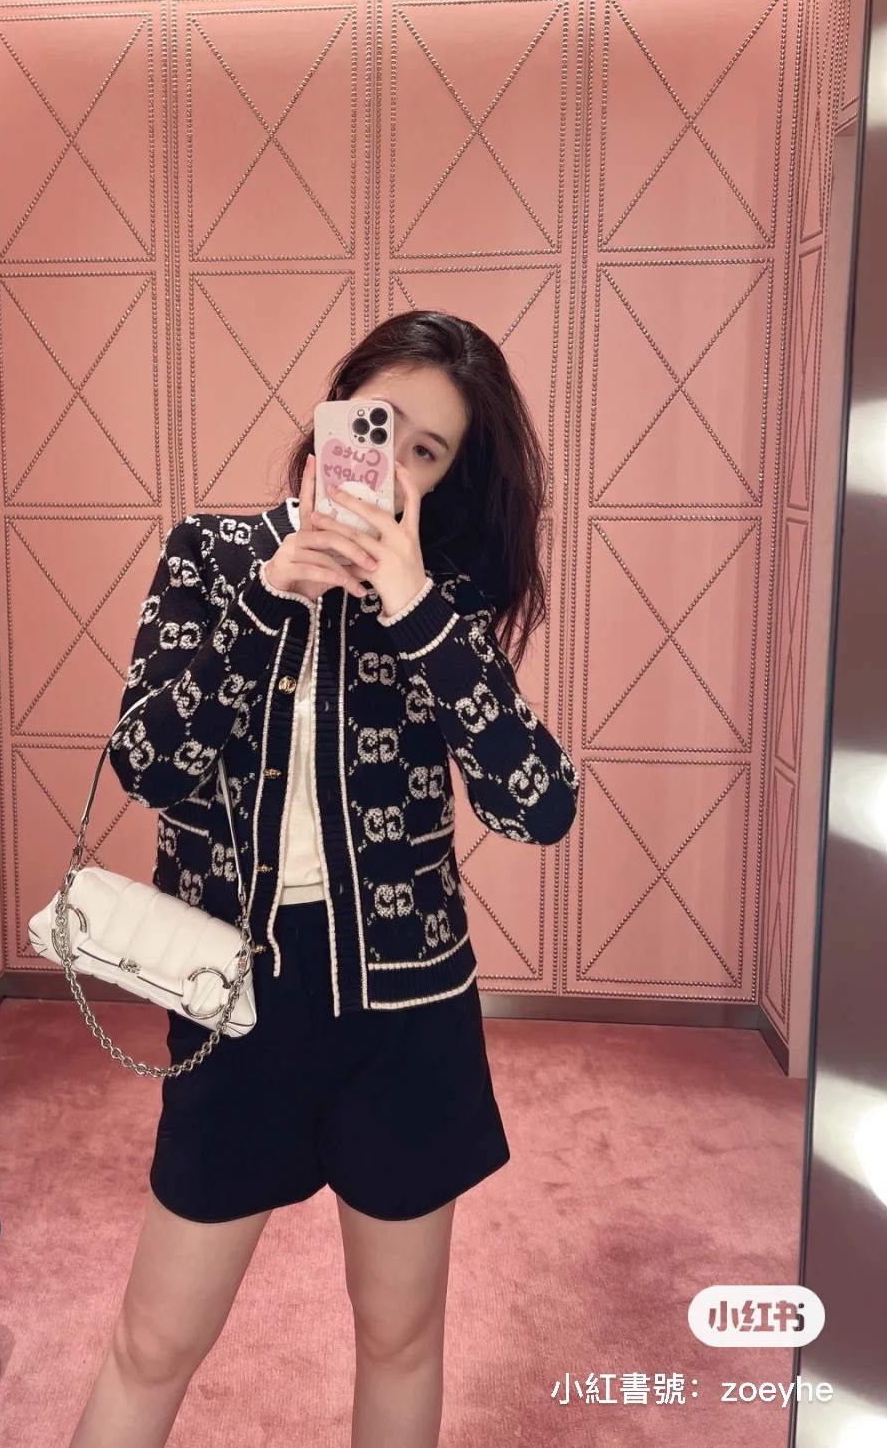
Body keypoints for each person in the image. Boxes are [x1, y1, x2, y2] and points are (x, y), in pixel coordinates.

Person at [67, 310, 579, 1448]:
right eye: (380, 425)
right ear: (336, 410)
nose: (392, 466)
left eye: (426, 452)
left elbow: (537, 803)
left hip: (407, 1016)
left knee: (399, 1337)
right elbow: (147, 762)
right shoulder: (210, 556)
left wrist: (417, 610)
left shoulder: (440, 602)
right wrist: (268, 599)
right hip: (233, 1002)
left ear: (446, 478)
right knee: (151, 1343)